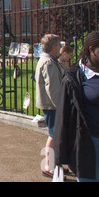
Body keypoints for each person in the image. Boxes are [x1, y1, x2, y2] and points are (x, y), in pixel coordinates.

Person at [54, 31, 99, 182]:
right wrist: (59, 154)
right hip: (93, 143)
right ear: (92, 50)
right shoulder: (75, 77)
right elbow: (63, 116)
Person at [34, 34, 63, 178]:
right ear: (53, 47)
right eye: (59, 45)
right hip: (53, 106)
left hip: (51, 105)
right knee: (53, 135)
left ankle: (55, 163)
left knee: (55, 134)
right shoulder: (49, 63)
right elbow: (52, 89)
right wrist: (61, 106)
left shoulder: (50, 60)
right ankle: (49, 166)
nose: (61, 48)